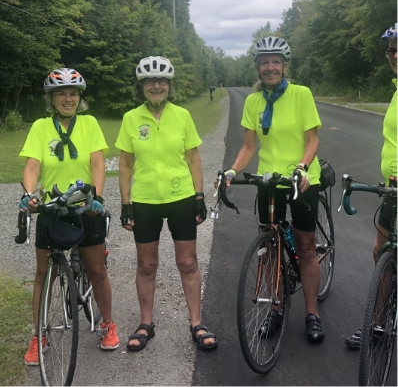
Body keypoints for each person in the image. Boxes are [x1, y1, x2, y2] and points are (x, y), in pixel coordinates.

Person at [224, 37, 325, 341]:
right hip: (269, 180)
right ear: (258, 67)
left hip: (302, 178)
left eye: (276, 62)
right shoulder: (254, 101)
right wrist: (231, 170)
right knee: (269, 249)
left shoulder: (300, 94)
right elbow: (249, 146)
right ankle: (276, 309)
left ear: (284, 66)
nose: (270, 67)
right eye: (264, 62)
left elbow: (312, 141)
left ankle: (312, 314)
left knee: (306, 247)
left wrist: (301, 168)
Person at [116, 56, 217, 351]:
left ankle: (196, 323)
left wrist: (199, 196)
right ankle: (146, 323)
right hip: (145, 200)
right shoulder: (131, 118)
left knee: (187, 262)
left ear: (170, 85)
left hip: (181, 198)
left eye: (161, 81)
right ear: (142, 86)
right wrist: (125, 203)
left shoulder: (182, 115)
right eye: (150, 81)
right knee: (147, 265)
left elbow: (193, 158)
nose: (156, 85)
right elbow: (125, 163)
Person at [19, 68, 120, 365]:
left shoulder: (89, 124)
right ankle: (39, 335)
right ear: (51, 98)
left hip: (85, 205)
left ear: (80, 97)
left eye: (73, 93)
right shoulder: (40, 127)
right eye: (61, 93)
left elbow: (98, 164)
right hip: (51, 206)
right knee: (42, 275)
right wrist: (28, 193)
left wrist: (97, 197)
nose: (67, 98)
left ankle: (108, 324)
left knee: (97, 269)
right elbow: (33, 166)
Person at [345, 23, 397, 349]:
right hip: (392, 187)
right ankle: (379, 325)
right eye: (392, 49)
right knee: (382, 252)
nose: (395, 55)